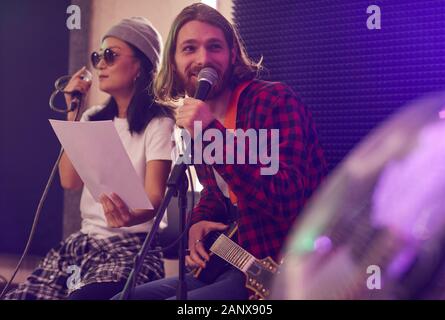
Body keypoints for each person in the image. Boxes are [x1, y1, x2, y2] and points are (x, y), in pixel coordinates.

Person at [114, 3, 327, 300]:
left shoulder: (273, 102)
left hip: (276, 272)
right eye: (189, 48)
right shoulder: (195, 123)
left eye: (214, 46)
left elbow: (287, 199)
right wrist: (198, 222)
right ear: (173, 63)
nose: (204, 59)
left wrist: (212, 132)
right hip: (228, 264)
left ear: (232, 55)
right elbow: (218, 193)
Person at [4, 17, 174, 300]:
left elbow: (155, 197)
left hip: (132, 246)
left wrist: (130, 216)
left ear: (140, 66)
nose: (101, 65)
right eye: (98, 57)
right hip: (83, 244)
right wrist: (74, 110)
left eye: (111, 55)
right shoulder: (91, 118)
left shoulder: (159, 122)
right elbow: (69, 180)